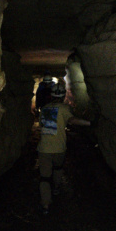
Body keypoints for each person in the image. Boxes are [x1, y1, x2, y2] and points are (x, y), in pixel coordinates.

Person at [37, 82, 91, 214]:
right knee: (57, 168)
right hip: (59, 147)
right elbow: (72, 121)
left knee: (44, 177)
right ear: (62, 96)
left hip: (44, 148)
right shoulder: (64, 108)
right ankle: (56, 187)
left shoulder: (44, 109)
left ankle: (45, 205)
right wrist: (90, 123)